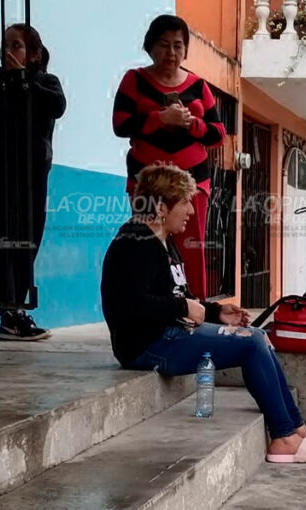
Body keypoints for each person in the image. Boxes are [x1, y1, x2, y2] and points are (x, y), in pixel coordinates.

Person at [101, 163, 306, 463]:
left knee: (257, 336)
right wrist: (182, 308)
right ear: (162, 207)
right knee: (250, 343)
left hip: (170, 333)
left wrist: (216, 312)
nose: (191, 210)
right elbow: (130, 306)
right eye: (185, 202)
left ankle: (296, 429)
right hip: (147, 346)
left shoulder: (164, 240)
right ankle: (283, 436)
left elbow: (178, 295)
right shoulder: (133, 244)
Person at [0, 24, 66, 341]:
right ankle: (9, 315)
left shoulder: (45, 82)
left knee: (26, 244)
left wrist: (23, 81)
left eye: (17, 45)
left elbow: (57, 107)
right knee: (4, 243)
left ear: (34, 53)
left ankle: (17, 310)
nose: (9, 52)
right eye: (6, 45)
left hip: (32, 180)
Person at [112, 15, 225, 300]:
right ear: (150, 47)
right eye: (163, 45)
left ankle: (196, 310)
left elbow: (219, 133)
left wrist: (192, 124)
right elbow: (120, 124)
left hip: (193, 182)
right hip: (146, 182)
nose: (171, 53)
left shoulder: (200, 86)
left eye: (178, 46)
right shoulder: (134, 80)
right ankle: (148, 305)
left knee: (192, 247)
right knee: (147, 243)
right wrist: (159, 118)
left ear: (186, 50)